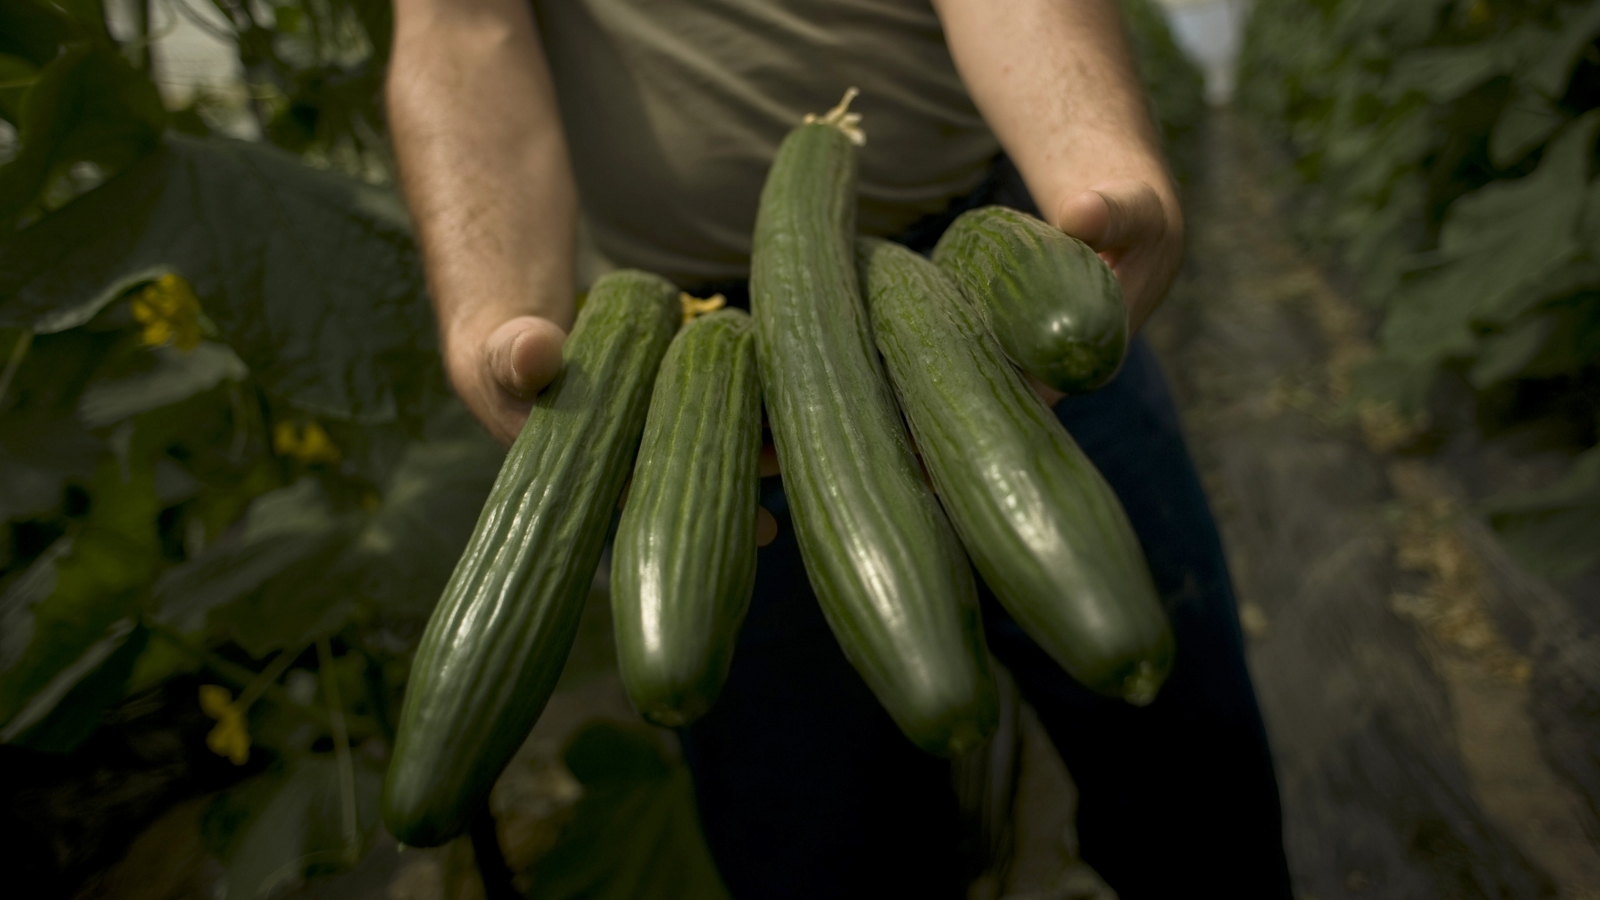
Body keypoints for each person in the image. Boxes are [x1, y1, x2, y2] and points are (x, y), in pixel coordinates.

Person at [385, 1, 1295, 897]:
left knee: (1195, 798)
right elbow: (463, 28)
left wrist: (1095, 157)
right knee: (817, 849)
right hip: (690, 349)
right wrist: (489, 303)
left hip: (997, 276)